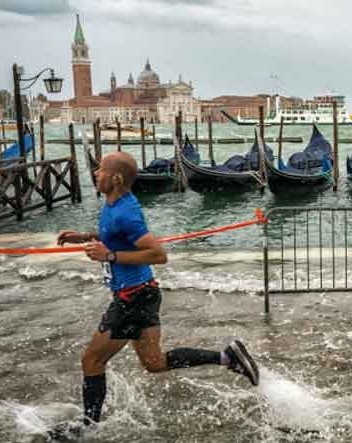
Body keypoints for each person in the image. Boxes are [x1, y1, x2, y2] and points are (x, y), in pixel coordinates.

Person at [50, 152, 259, 439]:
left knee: (91, 361)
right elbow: (112, 234)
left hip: (131, 299)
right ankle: (227, 357)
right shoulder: (112, 204)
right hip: (144, 293)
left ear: (116, 179)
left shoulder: (127, 213)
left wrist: (108, 255)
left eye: (100, 170)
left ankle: (86, 427)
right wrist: (85, 237)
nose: (95, 173)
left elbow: (159, 254)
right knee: (155, 362)